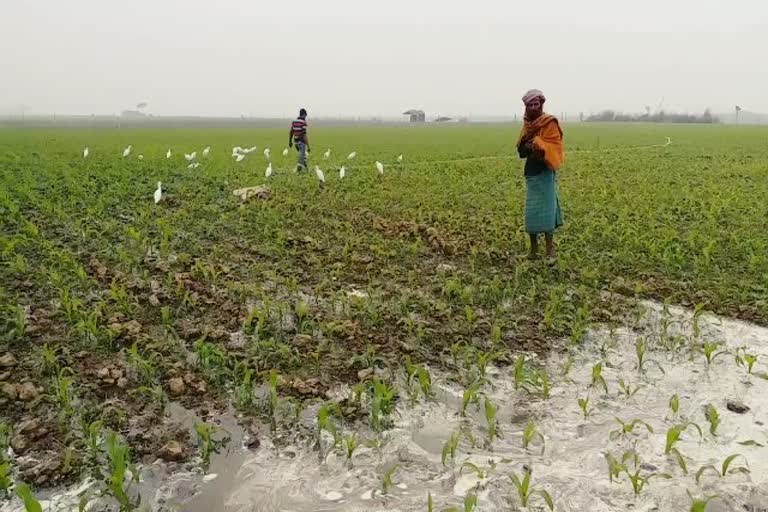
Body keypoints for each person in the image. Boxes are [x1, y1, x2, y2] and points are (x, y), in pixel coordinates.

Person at [516, 89, 564, 260]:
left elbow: (554, 146)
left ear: (542, 104)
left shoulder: (549, 123)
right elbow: (521, 151)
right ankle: (533, 251)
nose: (534, 107)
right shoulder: (527, 125)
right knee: (532, 213)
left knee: (548, 212)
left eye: (537, 104)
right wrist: (529, 146)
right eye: (531, 104)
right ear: (526, 107)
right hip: (532, 173)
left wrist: (538, 143)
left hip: (545, 171)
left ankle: (550, 250)